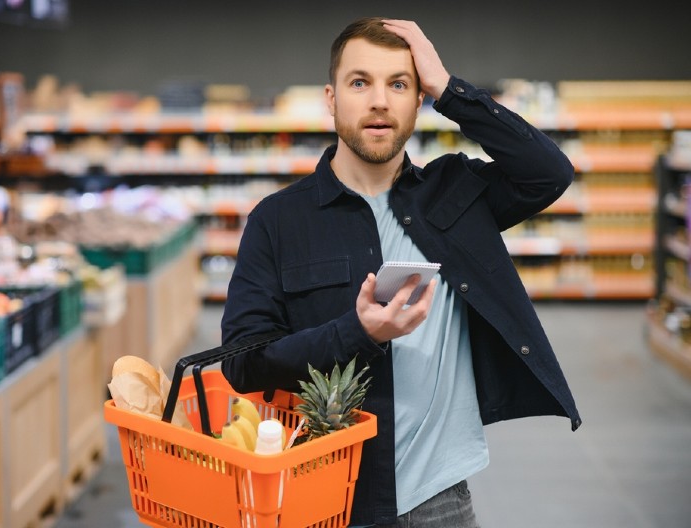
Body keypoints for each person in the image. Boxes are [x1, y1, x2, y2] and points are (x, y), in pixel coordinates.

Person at [221, 16, 581, 527]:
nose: (379, 101)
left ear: (419, 101)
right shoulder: (277, 222)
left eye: (400, 84)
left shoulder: (455, 194)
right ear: (331, 97)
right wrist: (356, 332)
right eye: (360, 82)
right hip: (319, 496)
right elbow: (242, 362)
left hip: (439, 499)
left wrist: (449, 89)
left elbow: (549, 172)